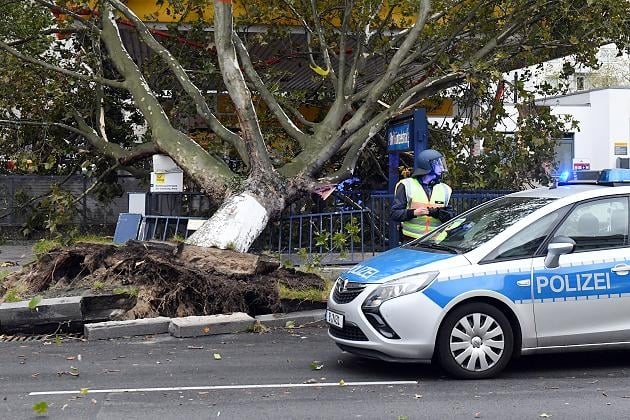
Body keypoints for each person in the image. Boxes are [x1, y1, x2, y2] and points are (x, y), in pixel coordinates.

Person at [390, 149, 455, 240]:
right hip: (411, 241)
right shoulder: (406, 185)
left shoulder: (445, 189)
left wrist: (438, 213)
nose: (441, 167)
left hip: (437, 242)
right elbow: (395, 214)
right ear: (427, 165)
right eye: (438, 164)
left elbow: (451, 217)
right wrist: (414, 213)